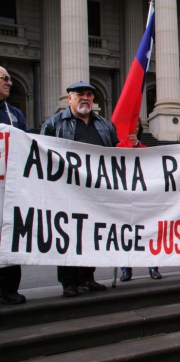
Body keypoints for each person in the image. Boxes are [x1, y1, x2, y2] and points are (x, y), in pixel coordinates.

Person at [41, 81, 140, 297]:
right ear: (69, 98)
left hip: (96, 193)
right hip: (66, 191)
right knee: (68, 235)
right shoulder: (54, 124)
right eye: (79, 94)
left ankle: (87, 277)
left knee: (90, 234)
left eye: (89, 94)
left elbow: (114, 155)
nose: (85, 98)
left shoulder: (104, 125)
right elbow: (42, 156)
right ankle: (69, 282)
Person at [0, 66, 30, 305]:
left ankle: (9, 288)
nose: (9, 83)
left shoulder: (16, 114)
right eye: (4, 79)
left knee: (11, 233)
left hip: (10, 186)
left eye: (10, 78)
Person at [120, 119, 162, 282]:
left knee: (149, 232)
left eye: (136, 125)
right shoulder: (117, 149)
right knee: (124, 234)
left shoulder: (145, 149)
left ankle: (153, 266)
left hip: (144, 198)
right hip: (124, 198)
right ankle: (126, 269)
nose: (133, 128)